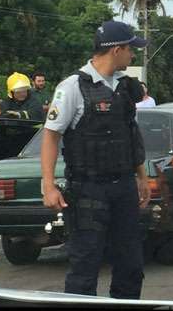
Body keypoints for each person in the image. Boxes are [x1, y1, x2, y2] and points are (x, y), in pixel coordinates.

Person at [41, 20, 149, 299]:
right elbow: (51, 136)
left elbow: (131, 137)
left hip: (124, 187)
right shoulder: (72, 87)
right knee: (85, 266)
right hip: (88, 190)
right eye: (130, 49)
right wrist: (49, 184)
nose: (133, 55)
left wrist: (141, 177)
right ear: (116, 50)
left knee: (131, 265)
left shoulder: (125, 88)